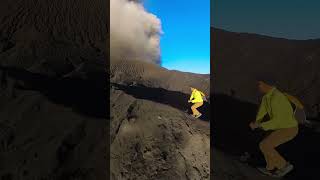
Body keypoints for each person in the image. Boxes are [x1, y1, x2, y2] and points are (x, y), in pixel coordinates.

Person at [249, 79, 298, 177]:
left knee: (266, 145)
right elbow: (262, 112)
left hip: (289, 128)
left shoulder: (277, 98)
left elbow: (277, 121)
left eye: (260, 84)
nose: (258, 87)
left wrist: (260, 125)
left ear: (267, 84)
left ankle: (283, 165)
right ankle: (270, 168)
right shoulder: (266, 98)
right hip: (282, 127)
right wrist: (257, 121)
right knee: (264, 145)